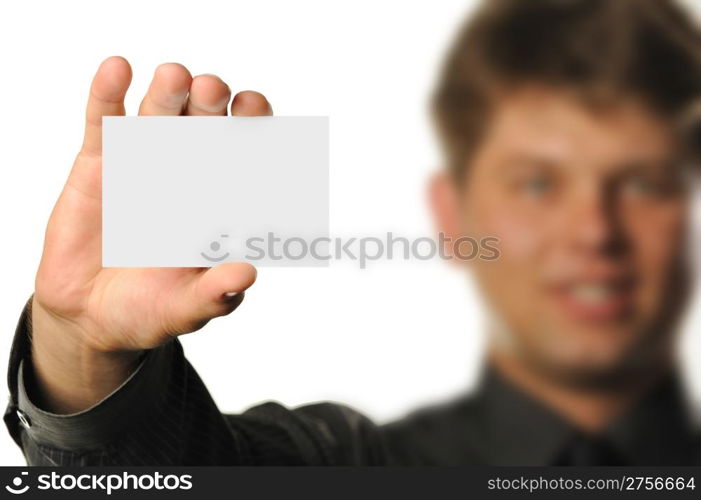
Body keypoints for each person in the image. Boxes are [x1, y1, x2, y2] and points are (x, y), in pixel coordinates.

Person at [5, 0, 701, 466]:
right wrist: (83, 348)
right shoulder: (351, 465)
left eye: (643, 183)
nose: (593, 232)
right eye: (537, 184)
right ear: (454, 213)